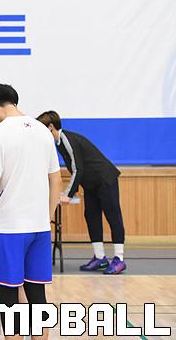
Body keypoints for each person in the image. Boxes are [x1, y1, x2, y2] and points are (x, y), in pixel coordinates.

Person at [0, 84, 63, 340]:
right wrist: (47, 216)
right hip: (39, 228)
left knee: (8, 297)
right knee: (37, 296)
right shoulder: (43, 131)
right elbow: (56, 180)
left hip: (9, 228)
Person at [37, 110, 126, 274]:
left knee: (113, 217)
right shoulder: (58, 143)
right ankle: (100, 258)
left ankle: (119, 259)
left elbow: (78, 168)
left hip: (105, 179)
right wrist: (72, 191)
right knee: (91, 216)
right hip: (91, 184)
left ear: (50, 127)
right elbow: (74, 167)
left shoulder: (66, 139)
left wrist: (68, 194)